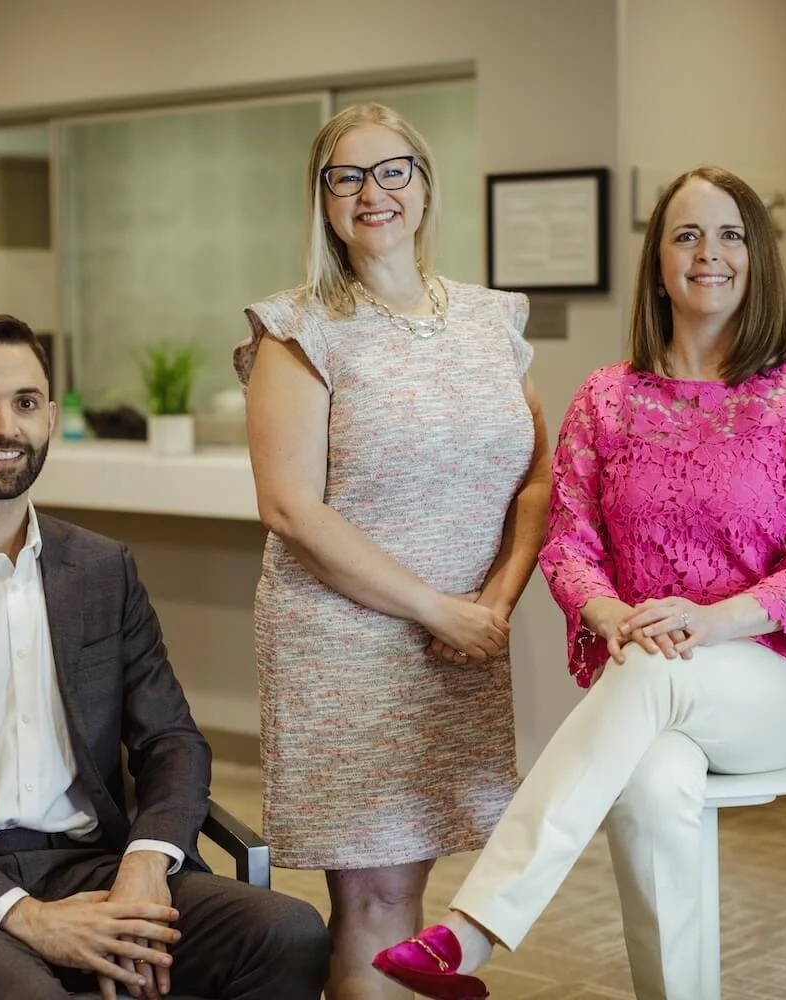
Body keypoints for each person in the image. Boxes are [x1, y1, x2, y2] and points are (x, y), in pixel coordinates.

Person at [373, 165, 786, 1000]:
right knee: (654, 779)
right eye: (687, 234)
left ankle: (475, 928)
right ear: (658, 261)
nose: (710, 253)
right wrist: (607, 611)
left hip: (773, 679)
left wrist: (711, 623)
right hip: (650, 670)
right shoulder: (607, 398)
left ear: (758, 257)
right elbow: (567, 543)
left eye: (731, 234)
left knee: (652, 676)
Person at [0, 313, 329, 1000]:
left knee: (288, 933)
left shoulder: (102, 569)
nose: (5, 428)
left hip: (93, 864)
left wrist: (144, 866)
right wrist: (24, 915)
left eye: (25, 403)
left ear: (50, 417)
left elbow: (171, 739)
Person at [235, 103, 550, 999]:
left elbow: (537, 477)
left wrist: (494, 601)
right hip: (345, 643)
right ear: (322, 200)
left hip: (463, 638)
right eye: (347, 177)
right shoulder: (297, 328)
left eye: (392, 171)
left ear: (424, 184)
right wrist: (435, 607)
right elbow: (289, 508)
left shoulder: (494, 319)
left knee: (411, 886)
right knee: (374, 892)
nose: (373, 193)